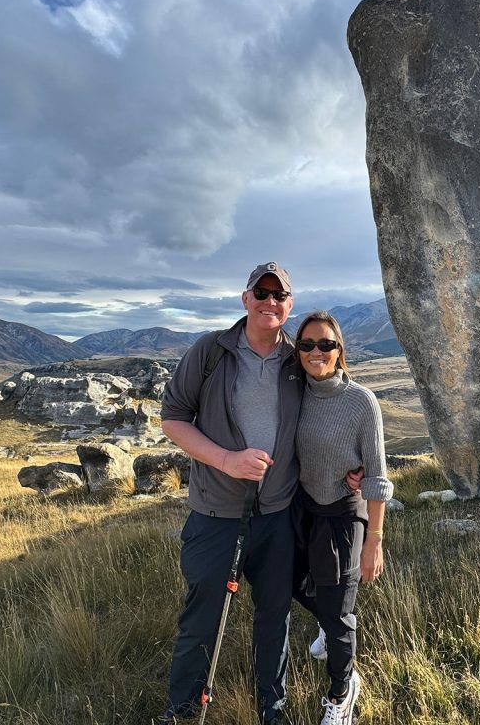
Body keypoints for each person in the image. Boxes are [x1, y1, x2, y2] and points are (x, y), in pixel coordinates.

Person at [159, 263, 360, 725]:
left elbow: (334, 409)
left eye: (279, 295)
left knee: (274, 618)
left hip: (277, 516)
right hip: (216, 512)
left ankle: (273, 712)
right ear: (245, 298)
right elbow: (173, 419)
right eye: (261, 293)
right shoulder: (211, 351)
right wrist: (227, 461)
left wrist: (355, 460)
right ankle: (182, 711)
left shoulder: (299, 358)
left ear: (289, 305)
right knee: (202, 617)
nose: (270, 302)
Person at [291, 311, 393, 725]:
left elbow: (378, 477)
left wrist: (375, 540)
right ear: (297, 351)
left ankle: (341, 692)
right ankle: (326, 625)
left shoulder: (360, 402)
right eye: (307, 345)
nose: (317, 352)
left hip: (342, 517)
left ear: (340, 351)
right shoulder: (295, 393)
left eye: (326, 344)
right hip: (302, 509)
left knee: (339, 616)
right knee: (291, 583)